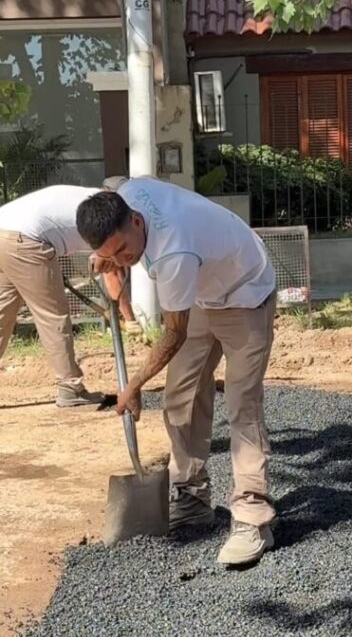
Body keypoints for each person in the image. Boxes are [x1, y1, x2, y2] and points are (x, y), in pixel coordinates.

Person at [76, 177, 277, 566]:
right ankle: (192, 495)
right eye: (110, 256)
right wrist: (107, 254)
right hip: (203, 292)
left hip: (246, 291)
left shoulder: (173, 252)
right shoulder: (125, 196)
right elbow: (114, 182)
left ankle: (253, 517)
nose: (122, 260)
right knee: (180, 396)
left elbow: (173, 334)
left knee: (242, 403)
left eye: (123, 249)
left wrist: (134, 384)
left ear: (136, 222)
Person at [0, 184, 139, 407]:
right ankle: (70, 387)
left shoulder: (91, 200)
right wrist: (130, 319)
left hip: (4, 230)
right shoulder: (109, 216)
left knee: (2, 312)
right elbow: (111, 270)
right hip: (26, 238)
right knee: (52, 315)